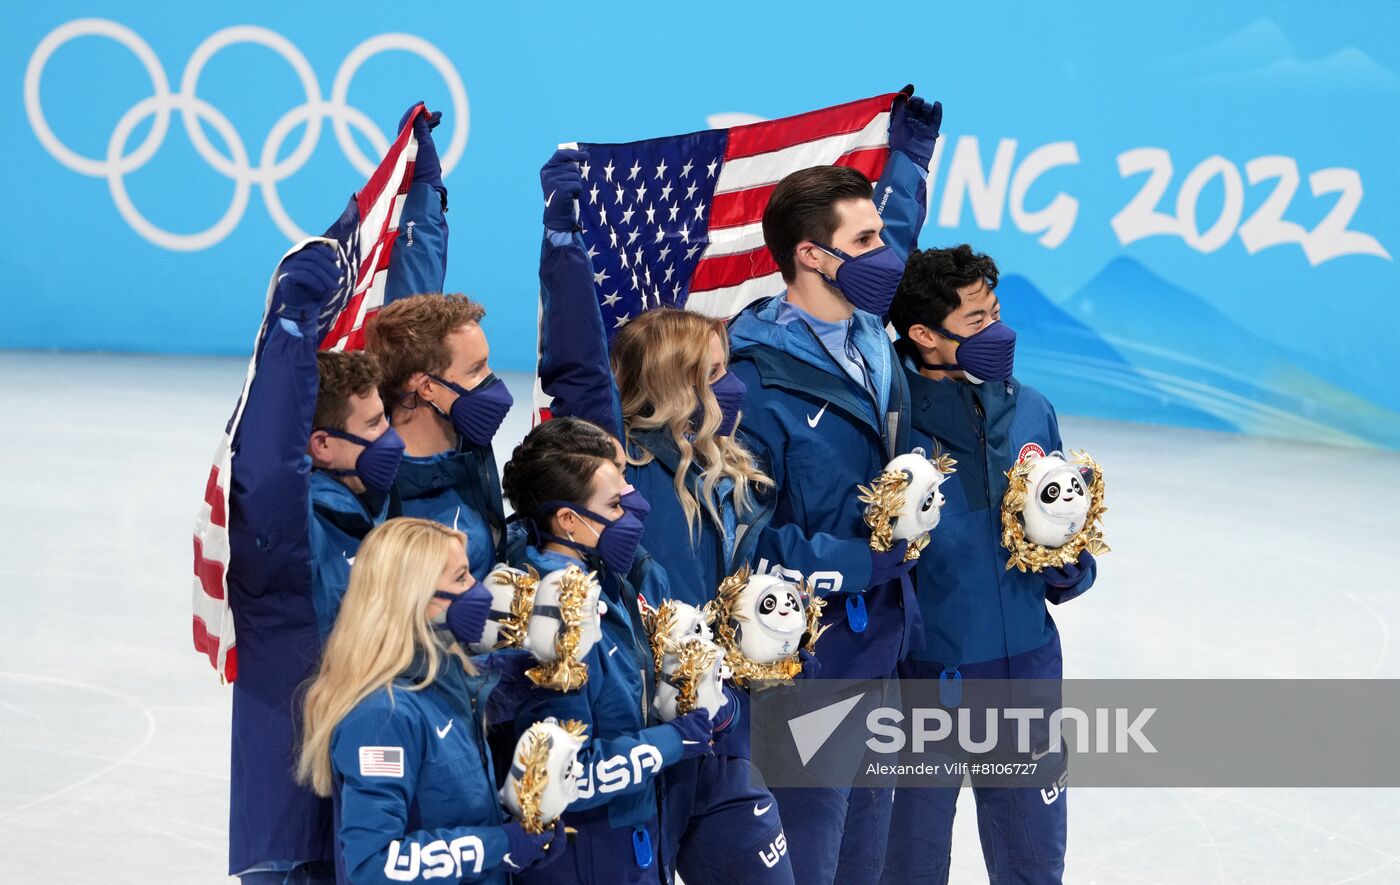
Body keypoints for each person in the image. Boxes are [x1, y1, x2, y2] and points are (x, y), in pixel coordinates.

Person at [223, 102, 448, 884]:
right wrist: (288, 328)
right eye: (374, 423)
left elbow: (401, 337)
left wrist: (423, 209)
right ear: (320, 446)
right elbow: (264, 462)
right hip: (295, 835)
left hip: (373, 815)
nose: (395, 433)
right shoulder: (283, 539)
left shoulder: (373, 504)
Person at [723, 95, 942, 885]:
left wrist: (910, 156)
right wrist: (859, 562)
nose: (887, 255)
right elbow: (744, 543)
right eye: (866, 241)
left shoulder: (871, 336)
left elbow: (903, 230)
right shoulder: (751, 381)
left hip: (885, 643)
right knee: (810, 860)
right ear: (813, 257)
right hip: (806, 666)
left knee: (868, 861)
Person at [879, 244, 1098, 885]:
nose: (999, 332)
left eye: (996, 312)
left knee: (1034, 861)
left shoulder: (1031, 408)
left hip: (1027, 664)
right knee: (909, 863)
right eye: (977, 321)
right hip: (924, 676)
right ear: (924, 335)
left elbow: (1063, 538)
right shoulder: (891, 421)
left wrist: (1066, 563)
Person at [501, 417, 719, 884]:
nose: (634, 510)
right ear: (568, 520)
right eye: (616, 503)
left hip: (633, 835)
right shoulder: (554, 620)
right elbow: (561, 780)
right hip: (586, 853)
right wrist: (671, 742)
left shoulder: (609, 582)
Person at [297, 516, 566, 884]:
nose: (479, 590)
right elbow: (373, 866)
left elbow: (447, 812)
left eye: (469, 573)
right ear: (413, 597)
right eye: (460, 578)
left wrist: (522, 831)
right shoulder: (380, 715)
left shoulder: (450, 680)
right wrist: (496, 844)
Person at [364, 292, 514, 581]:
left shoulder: (471, 441)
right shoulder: (378, 492)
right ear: (427, 387)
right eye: (475, 370)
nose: (492, 381)